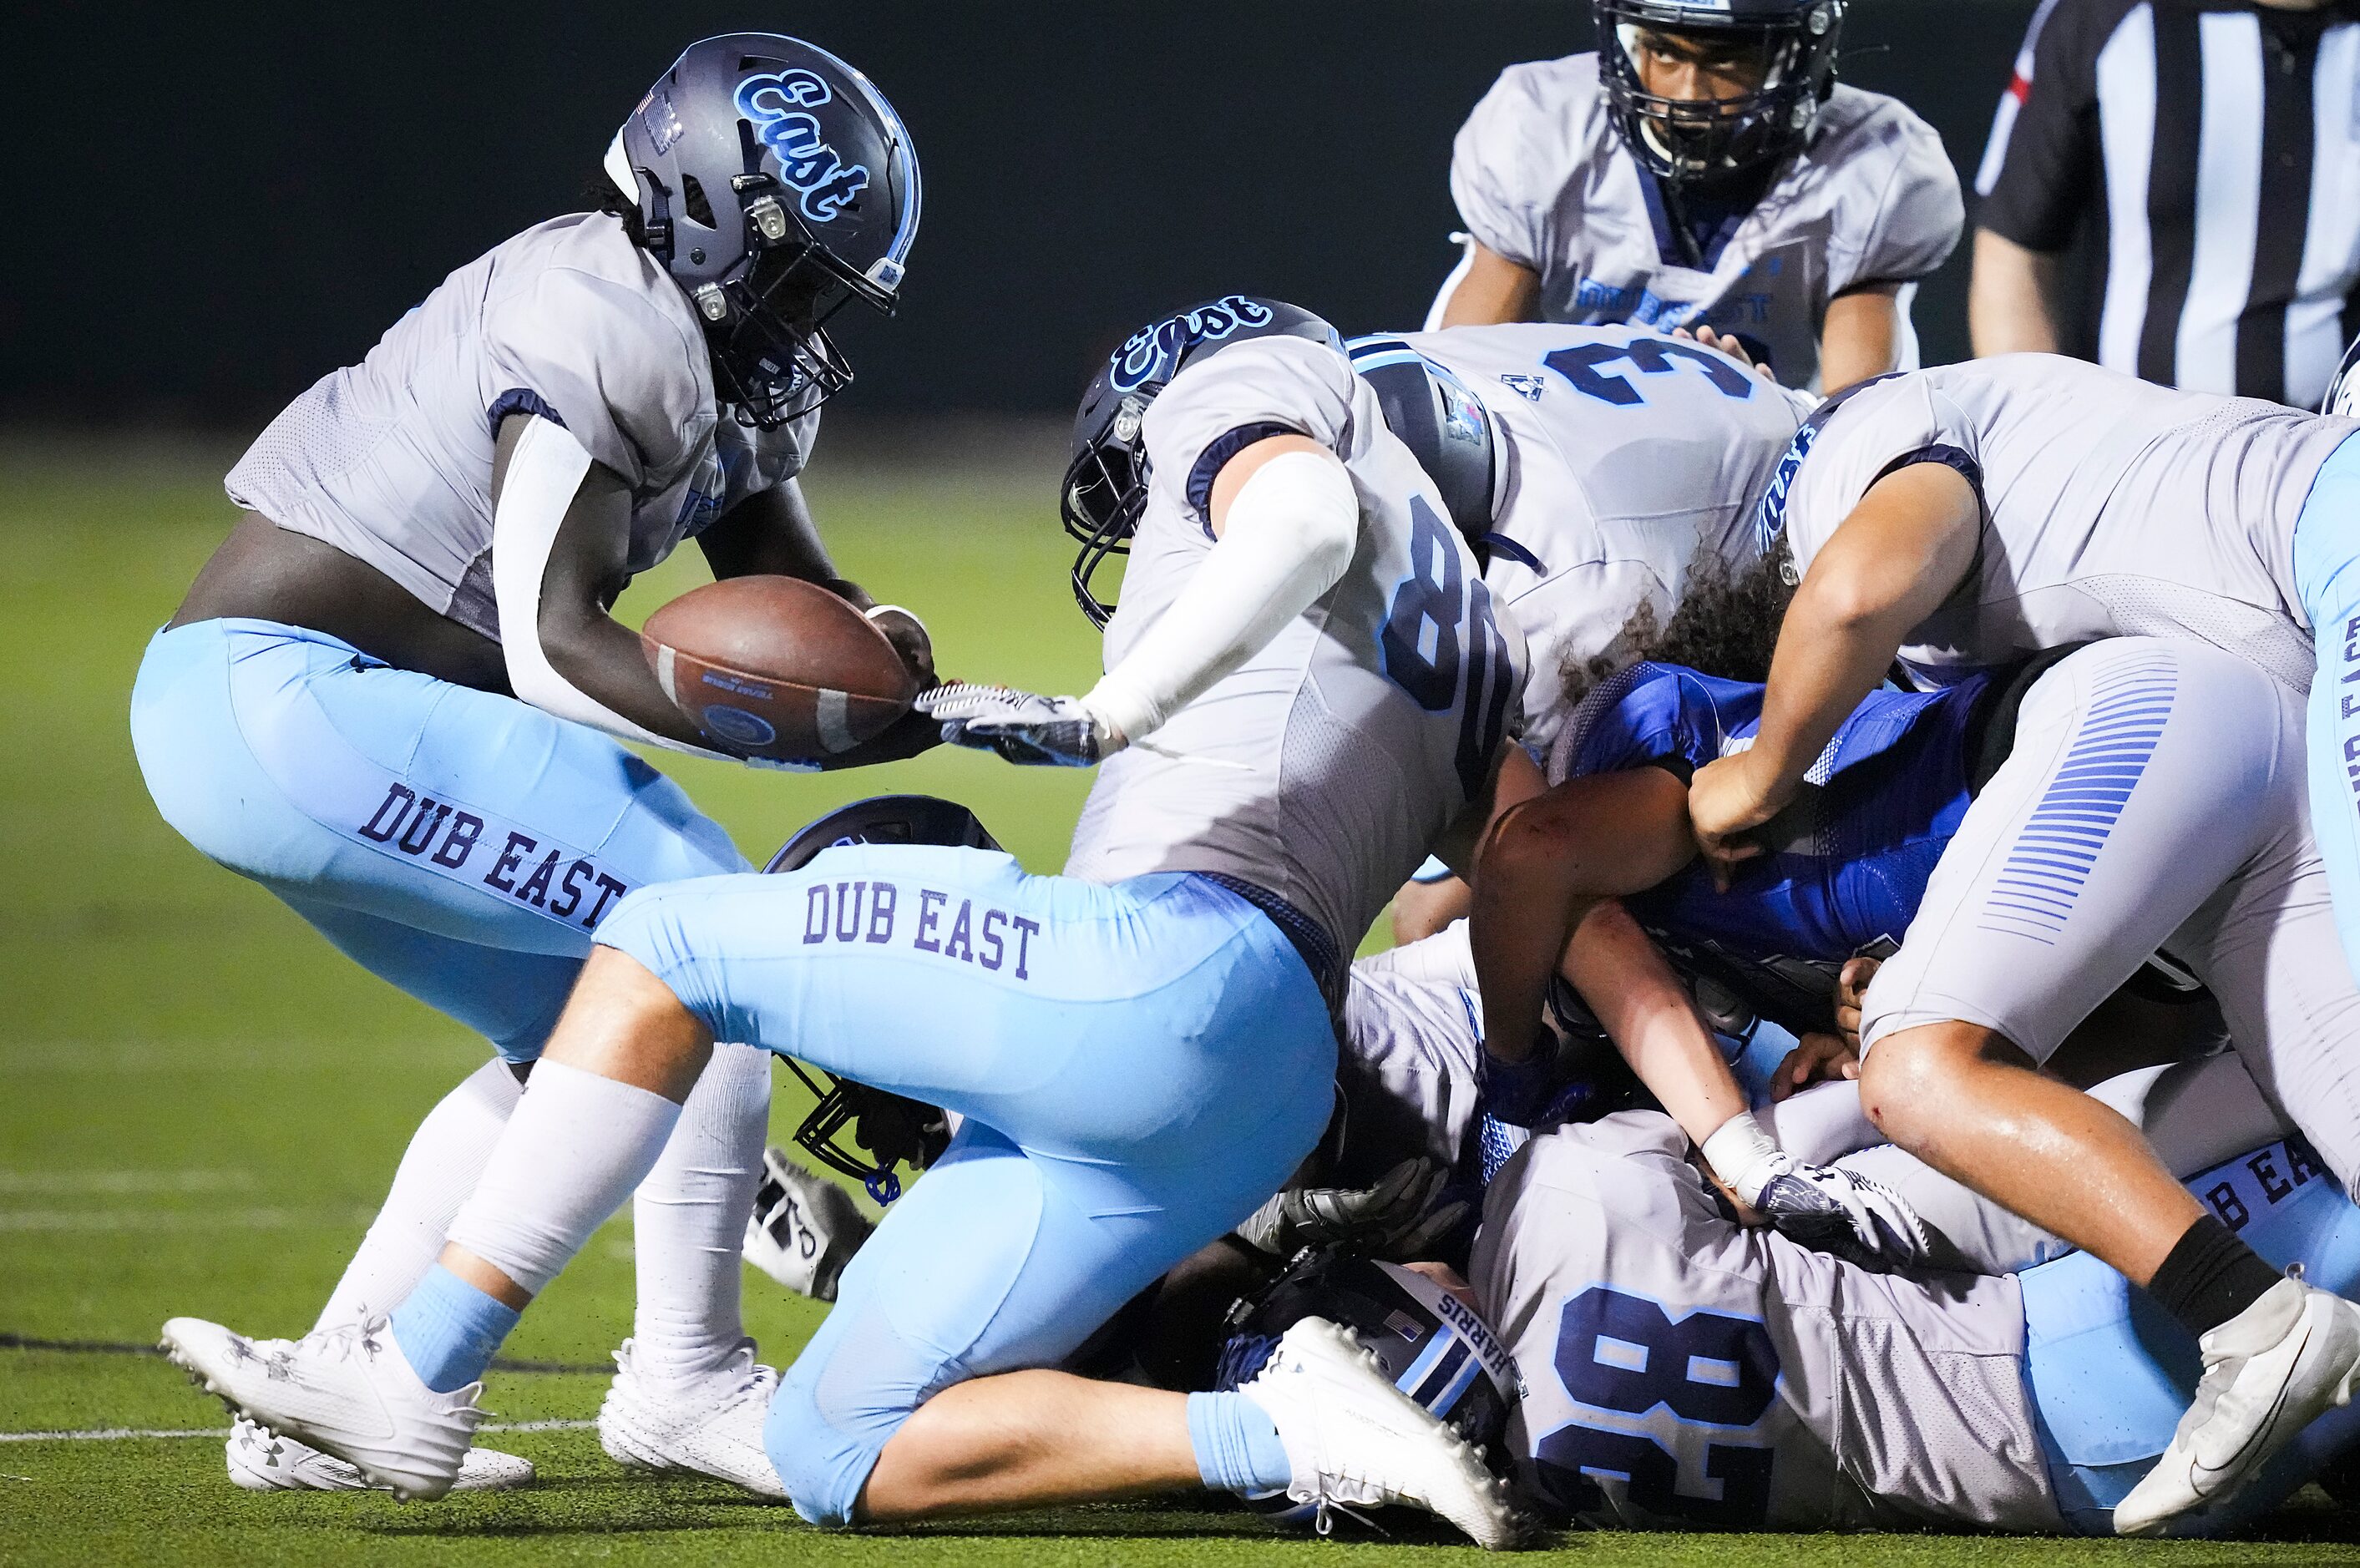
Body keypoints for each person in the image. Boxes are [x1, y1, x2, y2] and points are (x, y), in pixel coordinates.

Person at [156, 299, 1546, 1545]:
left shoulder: (1251, 378)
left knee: (672, 933)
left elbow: (1300, 519)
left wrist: (1113, 712)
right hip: (1263, 1077)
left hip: (1169, 963)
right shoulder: (1477, 636)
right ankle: (1296, 1430)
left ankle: (418, 1375)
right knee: (837, 1446)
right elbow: (1515, 872)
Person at [128, 33, 931, 1495]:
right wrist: (808, 720)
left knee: (584, 1021)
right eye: (796, 273)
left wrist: (899, 668)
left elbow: (801, 608)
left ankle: (323, 1395)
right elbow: (555, 645)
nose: (810, 316)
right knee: (701, 932)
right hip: (286, 699)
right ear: (704, 209)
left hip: (277, 724)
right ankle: (659, 1379)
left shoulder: (714, 354)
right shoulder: (600, 305)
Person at [1693, 352, 2360, 1531]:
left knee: (1916, 1061)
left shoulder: (1859, 443)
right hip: (2273, 699)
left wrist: (1754, 769)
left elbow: (1859, 584)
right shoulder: (2037, 452)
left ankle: (2252, 1320)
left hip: (2313, 583)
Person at [1481, 1109, 2360, 1535]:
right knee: (2302, 1107)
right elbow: (1798, 1134)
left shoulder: (1542, 1467)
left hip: (2088, 1503)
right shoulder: (1564, 1186)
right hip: (2097, 1352)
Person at [1314, 322, 1816, 946]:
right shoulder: (1399, 384)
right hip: (1782, 433)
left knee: (1535, 881)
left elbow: (1551, 851)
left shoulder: (1569, 603)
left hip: (1831, 560)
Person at [1434, 0, 1962, 394]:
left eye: (1726, 60)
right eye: (1664, 50)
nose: (1688, 94)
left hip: (1766, 467)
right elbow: (1462, 387)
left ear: (1797, 55)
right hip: (1555, 448)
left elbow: (1857, 427)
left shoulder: (1874, 164)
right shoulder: (1542, 126)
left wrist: (1759, 416)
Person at [1970, 0, 2360, 409]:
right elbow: (2013, 255)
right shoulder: (2102, 17)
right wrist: (2038, 433)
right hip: (2133, 451)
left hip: (2337, 453)